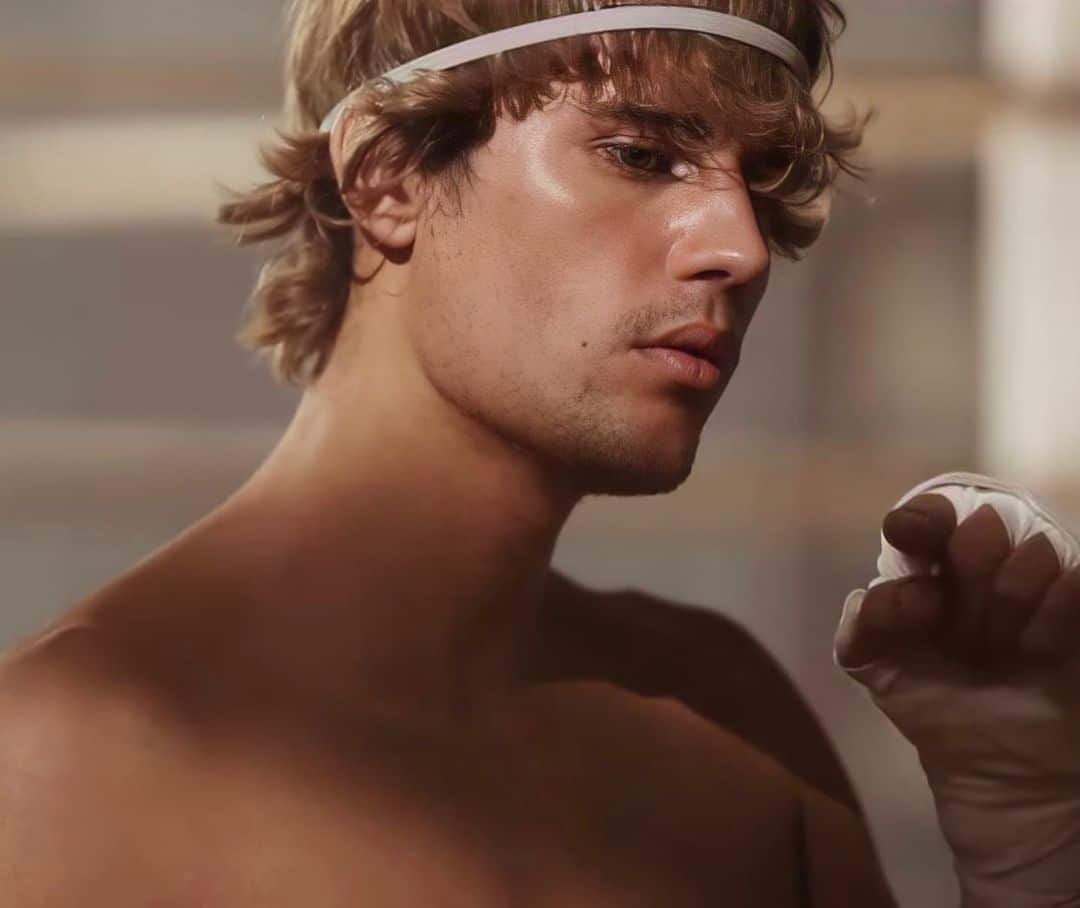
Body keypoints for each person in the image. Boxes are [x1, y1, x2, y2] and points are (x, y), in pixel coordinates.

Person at [0, 2, 898, 904]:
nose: (740, 248)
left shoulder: (731, 720)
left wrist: (988, 828)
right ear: (388, 175)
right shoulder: (68, 763)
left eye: (760, 183)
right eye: (639, 155)